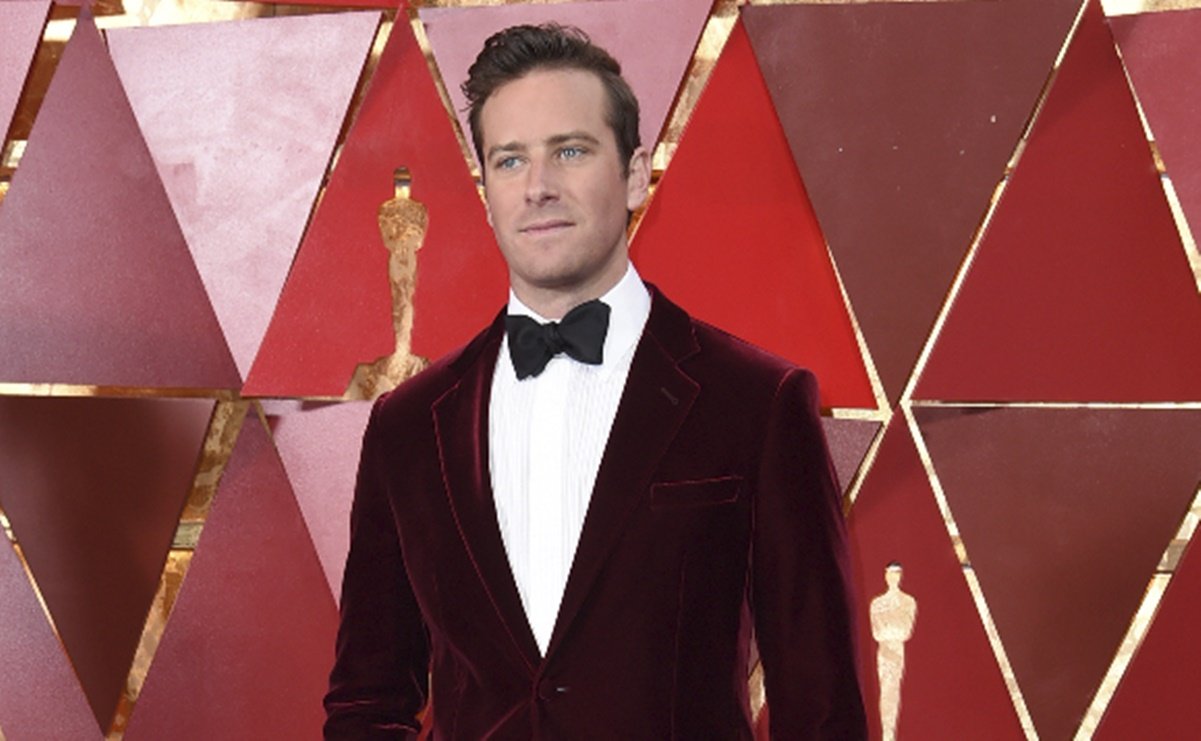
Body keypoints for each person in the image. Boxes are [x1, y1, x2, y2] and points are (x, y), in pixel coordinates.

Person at [324, 23, 866, 739]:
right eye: (510, 160)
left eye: (570, 151)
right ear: (485, 191)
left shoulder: (757, 401)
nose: (538, 187)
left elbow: (821, 705)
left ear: (635, 174)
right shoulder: (407, 423)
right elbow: (366, 701)